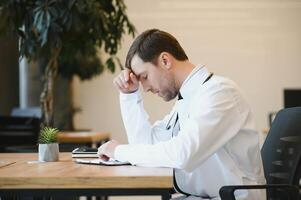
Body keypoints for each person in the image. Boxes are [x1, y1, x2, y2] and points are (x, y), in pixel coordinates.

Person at [97, 29, 266, 200]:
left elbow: (182, 155)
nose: (145, 88)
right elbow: (145, 144)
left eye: (145, 77)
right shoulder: (187, 99)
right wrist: (129, 95)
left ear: (165, 60)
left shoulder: (219, 92)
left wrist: (118, 151)